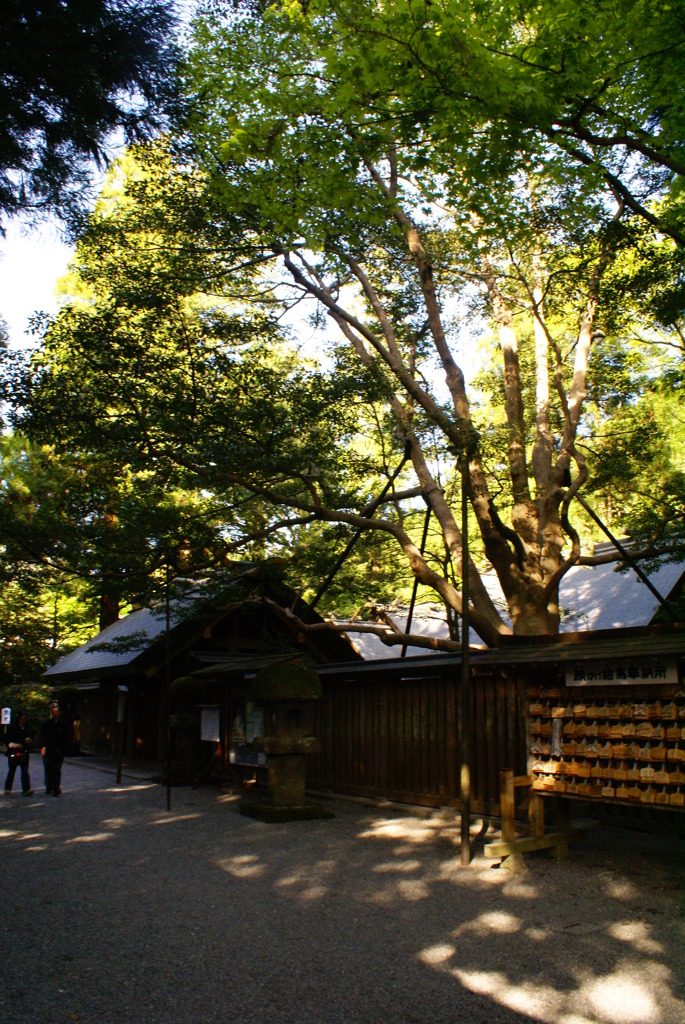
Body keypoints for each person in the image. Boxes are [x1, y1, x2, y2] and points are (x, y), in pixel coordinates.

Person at [40, 701, 69, 797]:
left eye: (56, 712)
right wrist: (43, 746)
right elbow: (43, 736)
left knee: (56, 769)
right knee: (48, 769)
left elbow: (67, 737)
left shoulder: (63, 724)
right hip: (49, 748)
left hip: (59, 749)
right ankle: (49, 787)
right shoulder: (47, 723)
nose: (55, 714)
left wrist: (64, 749)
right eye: (53, 712)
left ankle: (56, 788)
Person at [4, 710, 33, 796]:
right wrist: (12, 744)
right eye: (22, 719)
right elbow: (6, 738)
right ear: (19, 719)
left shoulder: (27, 728)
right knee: (12, 770)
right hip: (14, 751)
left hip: (24, 751)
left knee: (24, 771)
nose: (24, 720)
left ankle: (26, 789)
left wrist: (29, 741)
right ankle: (8, 788)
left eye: (25, 719)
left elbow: (31, 737)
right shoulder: (12, 727)